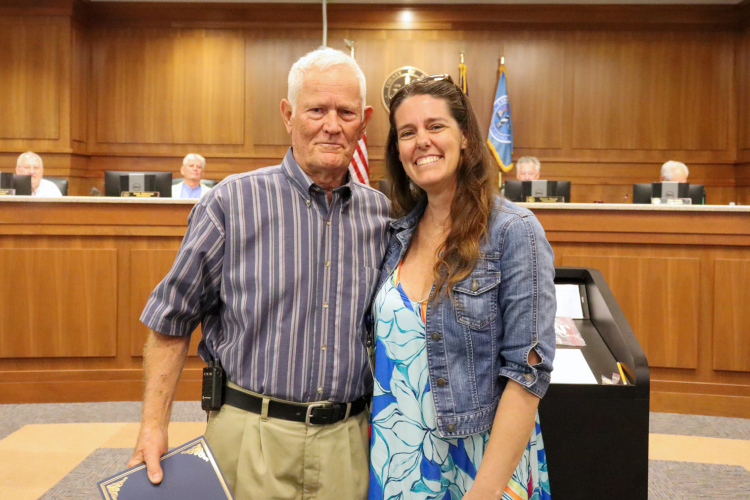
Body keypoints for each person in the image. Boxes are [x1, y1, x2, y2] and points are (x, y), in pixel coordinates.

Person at [129, 48, 390, 500]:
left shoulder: (381, 217)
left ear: (363, 121)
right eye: (316, 110)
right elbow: (170, 321)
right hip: (249, 436)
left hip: (347, 444)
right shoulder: (231, 203)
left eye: (346, 111)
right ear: (288, 115)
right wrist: (153, 427)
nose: (332, 124)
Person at [369, 75, 555, 500]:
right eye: (407, 132)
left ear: (466, 137)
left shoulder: (514, 231)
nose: (422, 142)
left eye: (436, 127)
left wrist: (484, 492)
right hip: (397, 461)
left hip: (479, 468)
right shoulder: (395, 235)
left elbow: (526, 378)